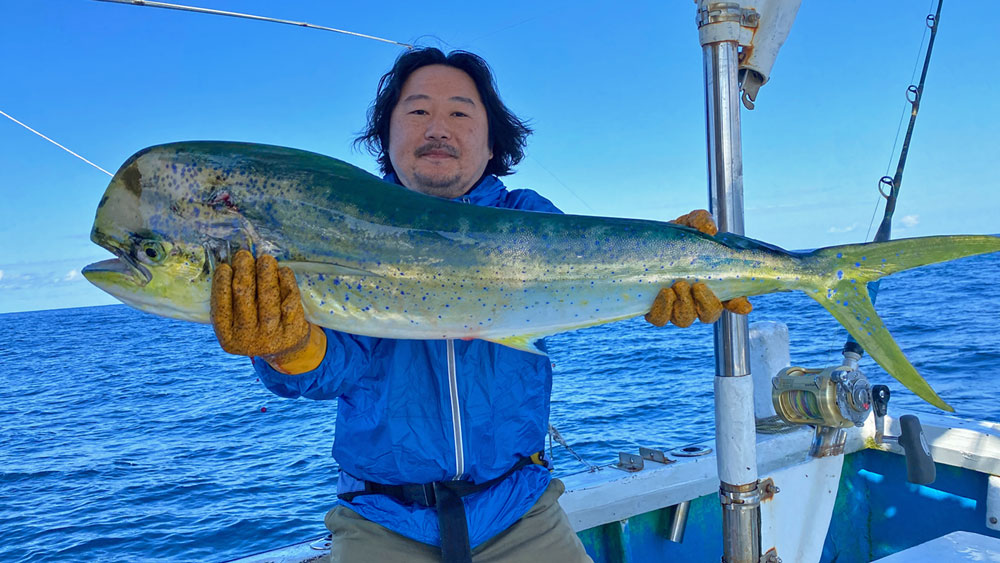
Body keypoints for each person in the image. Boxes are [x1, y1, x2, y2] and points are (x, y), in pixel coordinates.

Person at [210, 48, 751, 563]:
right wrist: (288, 347)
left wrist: (677, 259)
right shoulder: (341, 231)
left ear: (492, 143)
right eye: (417, 110)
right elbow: (334, 369)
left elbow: (600, 261)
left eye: (460, 113)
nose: (438, 127)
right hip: (382, 519)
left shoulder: (530, 216)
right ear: (387, 137)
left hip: (521, 511)